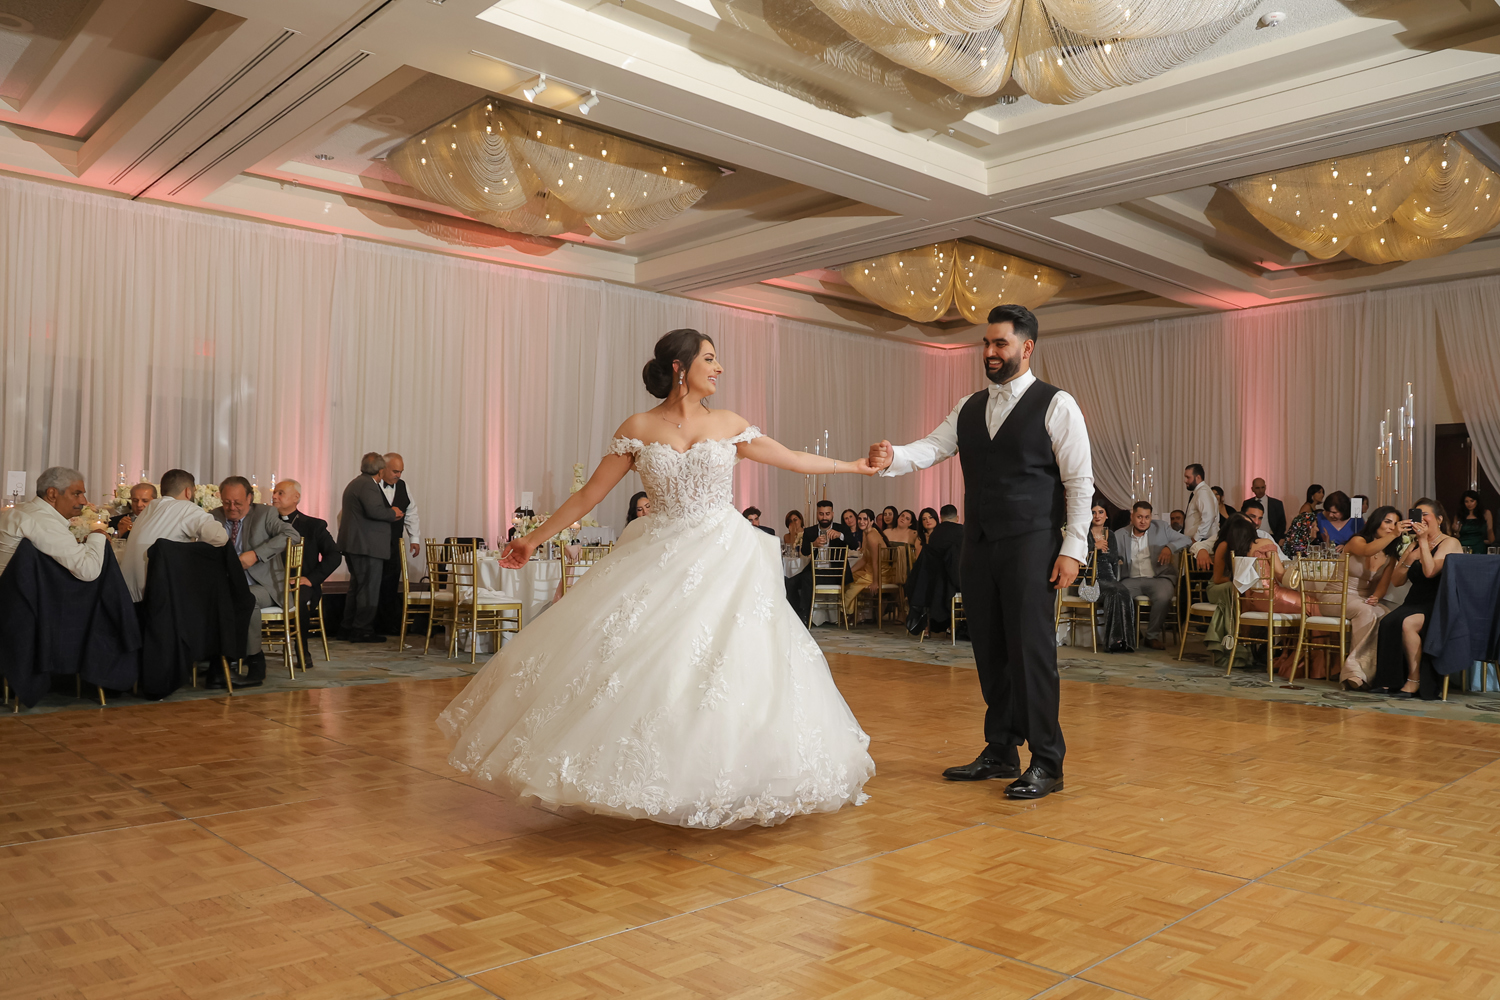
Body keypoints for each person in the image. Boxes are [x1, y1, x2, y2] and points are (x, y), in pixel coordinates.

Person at [439, 328, 876, 829]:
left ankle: (735, 774)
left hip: (725, 558)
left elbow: (795, 458)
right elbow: (589, 498)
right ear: (679, 366)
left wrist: (855, 467)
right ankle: (643, 775)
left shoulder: (730, 424)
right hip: (660, 554)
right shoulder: (640, 427)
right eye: (710, 359)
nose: (719, 368)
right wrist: (534, 539)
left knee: (730, 664)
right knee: (647, 663)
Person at [868, 303, 1091, 800]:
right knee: (990, 648)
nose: (989, 352)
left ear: (1026, 348)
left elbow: (1080, 483)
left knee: (1030, 652)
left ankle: (1048, 763)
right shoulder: (969, 406)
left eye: (1000, 344)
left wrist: (1073, 548)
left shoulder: (1058, 405)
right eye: (986, 344)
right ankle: (1001, 749)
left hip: (1033, 546)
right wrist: (892, 458)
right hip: (980, 545)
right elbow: (930, 447)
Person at [211, 478, 298, 687]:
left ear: (250, 498)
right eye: (226, 502)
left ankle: (254, 658)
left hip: (264, 585)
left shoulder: (265, 514)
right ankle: (218, 663)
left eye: (238, 503)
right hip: (226, 585)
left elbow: (291, 534)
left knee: (245, 599)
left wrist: (257, 555)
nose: (232, 508)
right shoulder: (213, 517)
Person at [1372, 499, 1463, 698]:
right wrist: (1409, 558)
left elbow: (1430, 572)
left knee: (1407, 623)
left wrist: (1422, 543)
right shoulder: (1412, 545)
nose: (1421, 520)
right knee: (1388, 621)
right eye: (1417, 516)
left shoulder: (1450, 542)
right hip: (1415, 600)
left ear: (1438, 519)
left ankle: (1415, 680)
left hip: (1439, 603)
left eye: (1425, 515)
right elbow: (1396, 581)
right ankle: (1389, 680)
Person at [1202, 514, 1300, 673]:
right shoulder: (1224, 545)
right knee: (1235, 589)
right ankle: (1236, 644)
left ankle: (1257, 646)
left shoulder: (1246, 545)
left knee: (1242, 590)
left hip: (1241, 587)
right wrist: (1240, 579)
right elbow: (1219, 578)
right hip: (1220, 586)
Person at [121, 468, 229, 602]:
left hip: (127, 598)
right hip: (158, 600)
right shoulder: (186, 508)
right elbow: (220, 537)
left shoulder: (148, 509)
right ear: (188, 492)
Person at [338, 452, 403, 643]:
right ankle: (362, 630)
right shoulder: (368, 485)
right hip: (366, 546)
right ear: (381, 471)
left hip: (358, 545)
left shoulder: (357, 483)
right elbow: (374, 511)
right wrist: (393, 512)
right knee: (368, 589)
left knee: (358, 587)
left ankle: (347, 627)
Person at [0, 467, 109, 581]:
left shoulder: (24, 509)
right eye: (77, 494)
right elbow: (88, 571)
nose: (84, 501)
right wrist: (98, 536)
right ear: (52, 494)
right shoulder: (41, 521)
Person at [1337, 506, 1400, 690]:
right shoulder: (1358, 541)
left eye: (1395, 524)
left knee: (1388, 616)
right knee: (1366, 611)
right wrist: (1394, 534)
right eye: (1388, 522)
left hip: (1362, 599)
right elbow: (1366, 551)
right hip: (1337, 596)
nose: (1391, 527)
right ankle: (1354, 674)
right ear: (1376, 521)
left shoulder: (1390, 555)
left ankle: (1378, 675)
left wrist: (1376, 597)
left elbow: (1383, 585)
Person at [1113, 500, 1189, 650]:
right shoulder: (1119, 534)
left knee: (1163, 597)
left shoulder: (1161, 528)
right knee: (1118, 595)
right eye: (1139, 517)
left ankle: (1151, 636)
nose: (1143, 521)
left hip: (1159, 578)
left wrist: (1169, 547)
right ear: (1132, 516)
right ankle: (1132, 632)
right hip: (1130, 578)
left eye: (1147, 517)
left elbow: (1186, 540)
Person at [271, 478, 342, 627]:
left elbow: (334, 555)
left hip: (301, 584)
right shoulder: (266, 524)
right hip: (270, 582)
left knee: (298, 600)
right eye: (274, 492)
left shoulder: (313, 526)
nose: (274, 496)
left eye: (280, 493)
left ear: (296, 497)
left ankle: (302, 648)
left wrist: (311, 579)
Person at [376, 453, 421, 634]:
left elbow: (411, 513)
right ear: (383, 469)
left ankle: (388, 625)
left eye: (401, 471)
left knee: (391, 583)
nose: (398, 475)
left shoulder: (403, 486)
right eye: (395, 471)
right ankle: (370, 625)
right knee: (373, 584)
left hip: (394, 543)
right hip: (373, 544)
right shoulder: (370, 486)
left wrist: (415, 539)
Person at [905, 504, 963, 634]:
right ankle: (962, 625)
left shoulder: (935, 536)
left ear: (940, 518)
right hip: (956, 580)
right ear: (957, 518)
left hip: (933, 583)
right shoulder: (963, 532)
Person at [1087, 502, 1134, 652]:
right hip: (1090, 577)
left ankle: (1125, 641)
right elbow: (1078, 557)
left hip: (1108, 575)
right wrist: (1094, 547)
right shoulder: (1084, 533)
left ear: (1106, 515)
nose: (1097, 515)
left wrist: (1115, 579)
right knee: (1114, 592)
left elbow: (1113, 558)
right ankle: (1113, 641)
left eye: (1101, 512)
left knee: (1124, 592)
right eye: (1093, 512)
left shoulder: (1110, 534)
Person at [842, 509, 889, 619]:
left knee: (852, 585)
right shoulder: (865, 533)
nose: (861, 521)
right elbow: (864, 559)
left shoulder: (872, 536)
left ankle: (850, 613)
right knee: (846, 578)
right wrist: (849, 571)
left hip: (881, 572)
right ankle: (854, 613)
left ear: (872, 522)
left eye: (865, 519)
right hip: (870, 568)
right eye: (859, 519)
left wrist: (876, 582)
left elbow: (875, 561)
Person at [1183, 464, 1219, 570]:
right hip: (1201, 542)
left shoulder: (1203, 492)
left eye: (1188, 477)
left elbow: (1209, 517)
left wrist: (1196, 539)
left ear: (1198, 477)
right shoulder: (1200, 492)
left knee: (1198, 579)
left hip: (1203, 542)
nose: (1185, 480)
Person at [782, 510, 812, 621]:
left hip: (804, 562)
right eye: (790, 521)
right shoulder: (787, 536)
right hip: (793, 560)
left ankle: (802, 610)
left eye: (795, 520)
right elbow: (790, 548)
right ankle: (793, 609)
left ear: (800, 520)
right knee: (788, 581)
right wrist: (793, 534)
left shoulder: (807, 533)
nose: (794, 523)